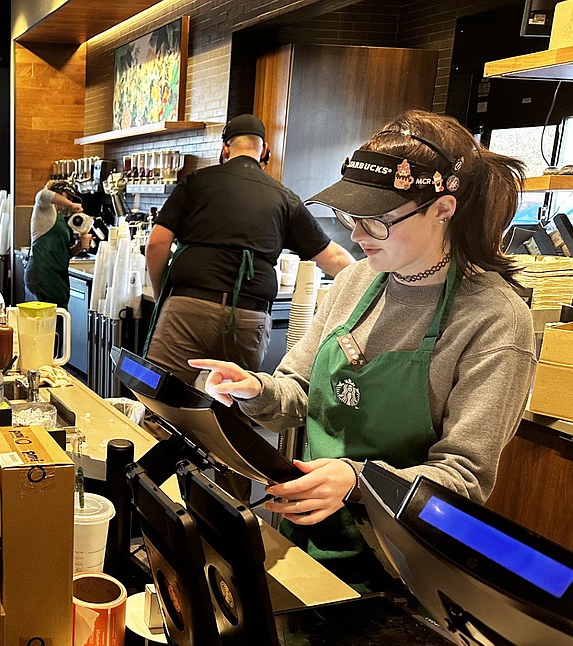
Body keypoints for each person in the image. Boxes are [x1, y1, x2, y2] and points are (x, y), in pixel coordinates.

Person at [191, 109, 536, 591]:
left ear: (443, 208)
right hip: (307, 532)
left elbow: (464, 480)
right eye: (349, 218)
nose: (354, 236)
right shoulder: (357, 280)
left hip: (402, 565)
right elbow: (298, 392)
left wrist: (357, 481)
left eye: (375, 222)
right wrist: (256, 391)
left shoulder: (495, 319)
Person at [145, 114, 355, 383]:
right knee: (234, 404)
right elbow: (335, 257)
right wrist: (373, 284)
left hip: (188, 309)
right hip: (249, 318)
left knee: (161, 394)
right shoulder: (284, 198)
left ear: (224, 148)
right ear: (264, 150)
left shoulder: (196, 183)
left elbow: (156, 244)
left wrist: (160, 291)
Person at [26, 180, 92, 306]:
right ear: (59, 194)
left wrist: (79, 247)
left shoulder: (59, 216)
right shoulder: (45, 208)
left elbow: (63, 253)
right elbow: (42, 195)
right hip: (42, 273)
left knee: (59, 318)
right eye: (68, 197)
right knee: (49, 319)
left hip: (55, 275)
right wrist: (72, 205)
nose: (68, 202)